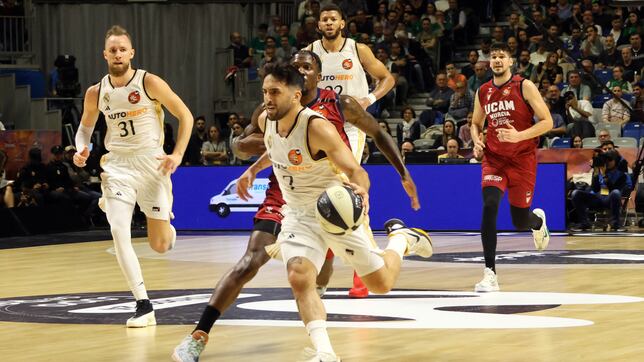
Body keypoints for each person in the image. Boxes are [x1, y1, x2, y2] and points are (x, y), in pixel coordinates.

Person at [172, 52, 421, 362]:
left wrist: (363, 190)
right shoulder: (267, 118)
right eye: (264, 92)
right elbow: (278, 148)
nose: (267, 99)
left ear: (297, 92)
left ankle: (400, 239)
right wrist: (251, 169)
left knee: (380, 284)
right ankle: (324, 353)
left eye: (274, 92)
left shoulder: (319, 125)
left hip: (334, 207)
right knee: (298, 275)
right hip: (298, 211)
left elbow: (356, 170)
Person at [72, 25, 193, 327]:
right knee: (118, 232)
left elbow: (186, 116)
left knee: (160, 245)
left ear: (131, 53)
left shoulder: (148, 82)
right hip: (118, 167)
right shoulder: (96, 92)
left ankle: (167, 229)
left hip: (152, 165)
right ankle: (143, 304)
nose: (117, 54)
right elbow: (85, 129)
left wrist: (177, 154)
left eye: (122, 49)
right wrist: (81, 148)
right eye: (112, 49)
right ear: (104, 54)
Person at [307, 3, 396, 297]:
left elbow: (387, 78)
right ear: (319, 25)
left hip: (350, 128)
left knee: (347, 188)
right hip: (318, 126)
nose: (329, 23)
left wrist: (369, 99)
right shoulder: (310, 53)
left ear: (343, 23)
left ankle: (363, 275)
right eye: (324, 19)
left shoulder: (358, 50)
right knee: (326, 191)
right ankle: (326, 266)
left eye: (334, 18)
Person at [470, 42, 552, 292]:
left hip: (522, 160)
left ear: (510, 62)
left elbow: (547, 122)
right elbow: (475, 123)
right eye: (492, 56)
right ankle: (490, 273)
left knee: (519, 221)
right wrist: (477, 140)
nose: (496, 60)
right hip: (494, 159)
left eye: (501, 56)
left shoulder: (524, 86)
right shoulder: (483, 91)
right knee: (490, 206)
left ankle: (537, 222)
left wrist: (519, 136)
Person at [570, 149, 632, 231]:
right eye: (606, 160)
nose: (607, 162)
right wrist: (596, 173)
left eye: (610, 160)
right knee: (575, 193)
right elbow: (595, 189)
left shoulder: (622, 175)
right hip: (597, 198)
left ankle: (616, 224)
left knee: (616, 193)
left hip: (610, 200)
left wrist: (604, 175)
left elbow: (614, 190)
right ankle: (584, 223)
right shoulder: (599, 171)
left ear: (616, 161)